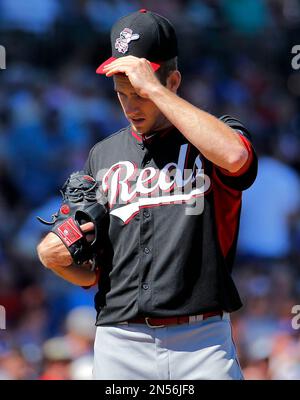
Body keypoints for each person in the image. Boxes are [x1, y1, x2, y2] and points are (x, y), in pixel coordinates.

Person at [37, 9, 258, 380]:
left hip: (201, 341)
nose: (129, 106)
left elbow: (236, 157)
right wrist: (58, 260)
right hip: (120, 340)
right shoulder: (102, 155)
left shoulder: (214, 137)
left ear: (173, 80)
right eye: (121, 94)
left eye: (138, 93)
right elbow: (92, 274)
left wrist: (153, 87)